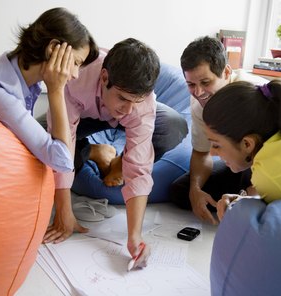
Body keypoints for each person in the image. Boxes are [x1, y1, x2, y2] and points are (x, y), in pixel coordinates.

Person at [42, 38, 188, 268]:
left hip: (116, 114)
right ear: (104, 78)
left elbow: (139, 170)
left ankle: (118, 160)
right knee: (39, 144)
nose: (128, 109)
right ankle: (94, 151)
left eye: (135, 101)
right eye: (123, 98)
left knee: (173, 125)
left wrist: (135, 236)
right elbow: (61, 143)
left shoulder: (140, 104)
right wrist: (64, 212)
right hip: (81, 115)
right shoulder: (76, 77)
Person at [0, 7, 98, 172]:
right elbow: (63, 162)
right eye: (76, 63)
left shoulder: (10, 69)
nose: (75, 74)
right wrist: (56, 90)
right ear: (53, 48)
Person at [169, 36, 266, 224]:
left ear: (226, 72)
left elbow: (275, 158)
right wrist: (195, 190)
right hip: (241, 163)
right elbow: (201, 153)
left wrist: (248, 195)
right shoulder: (199, 103)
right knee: (180, 191)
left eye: (206, 82)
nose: (198, 92)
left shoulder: (252, 96)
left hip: (268, 163)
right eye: (191, 84)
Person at [202, 80, 281, 220]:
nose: (212, 153)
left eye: (216, 145)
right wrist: (244, 199)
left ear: (247, 144)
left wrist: (239, 211)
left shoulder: (270, 171)